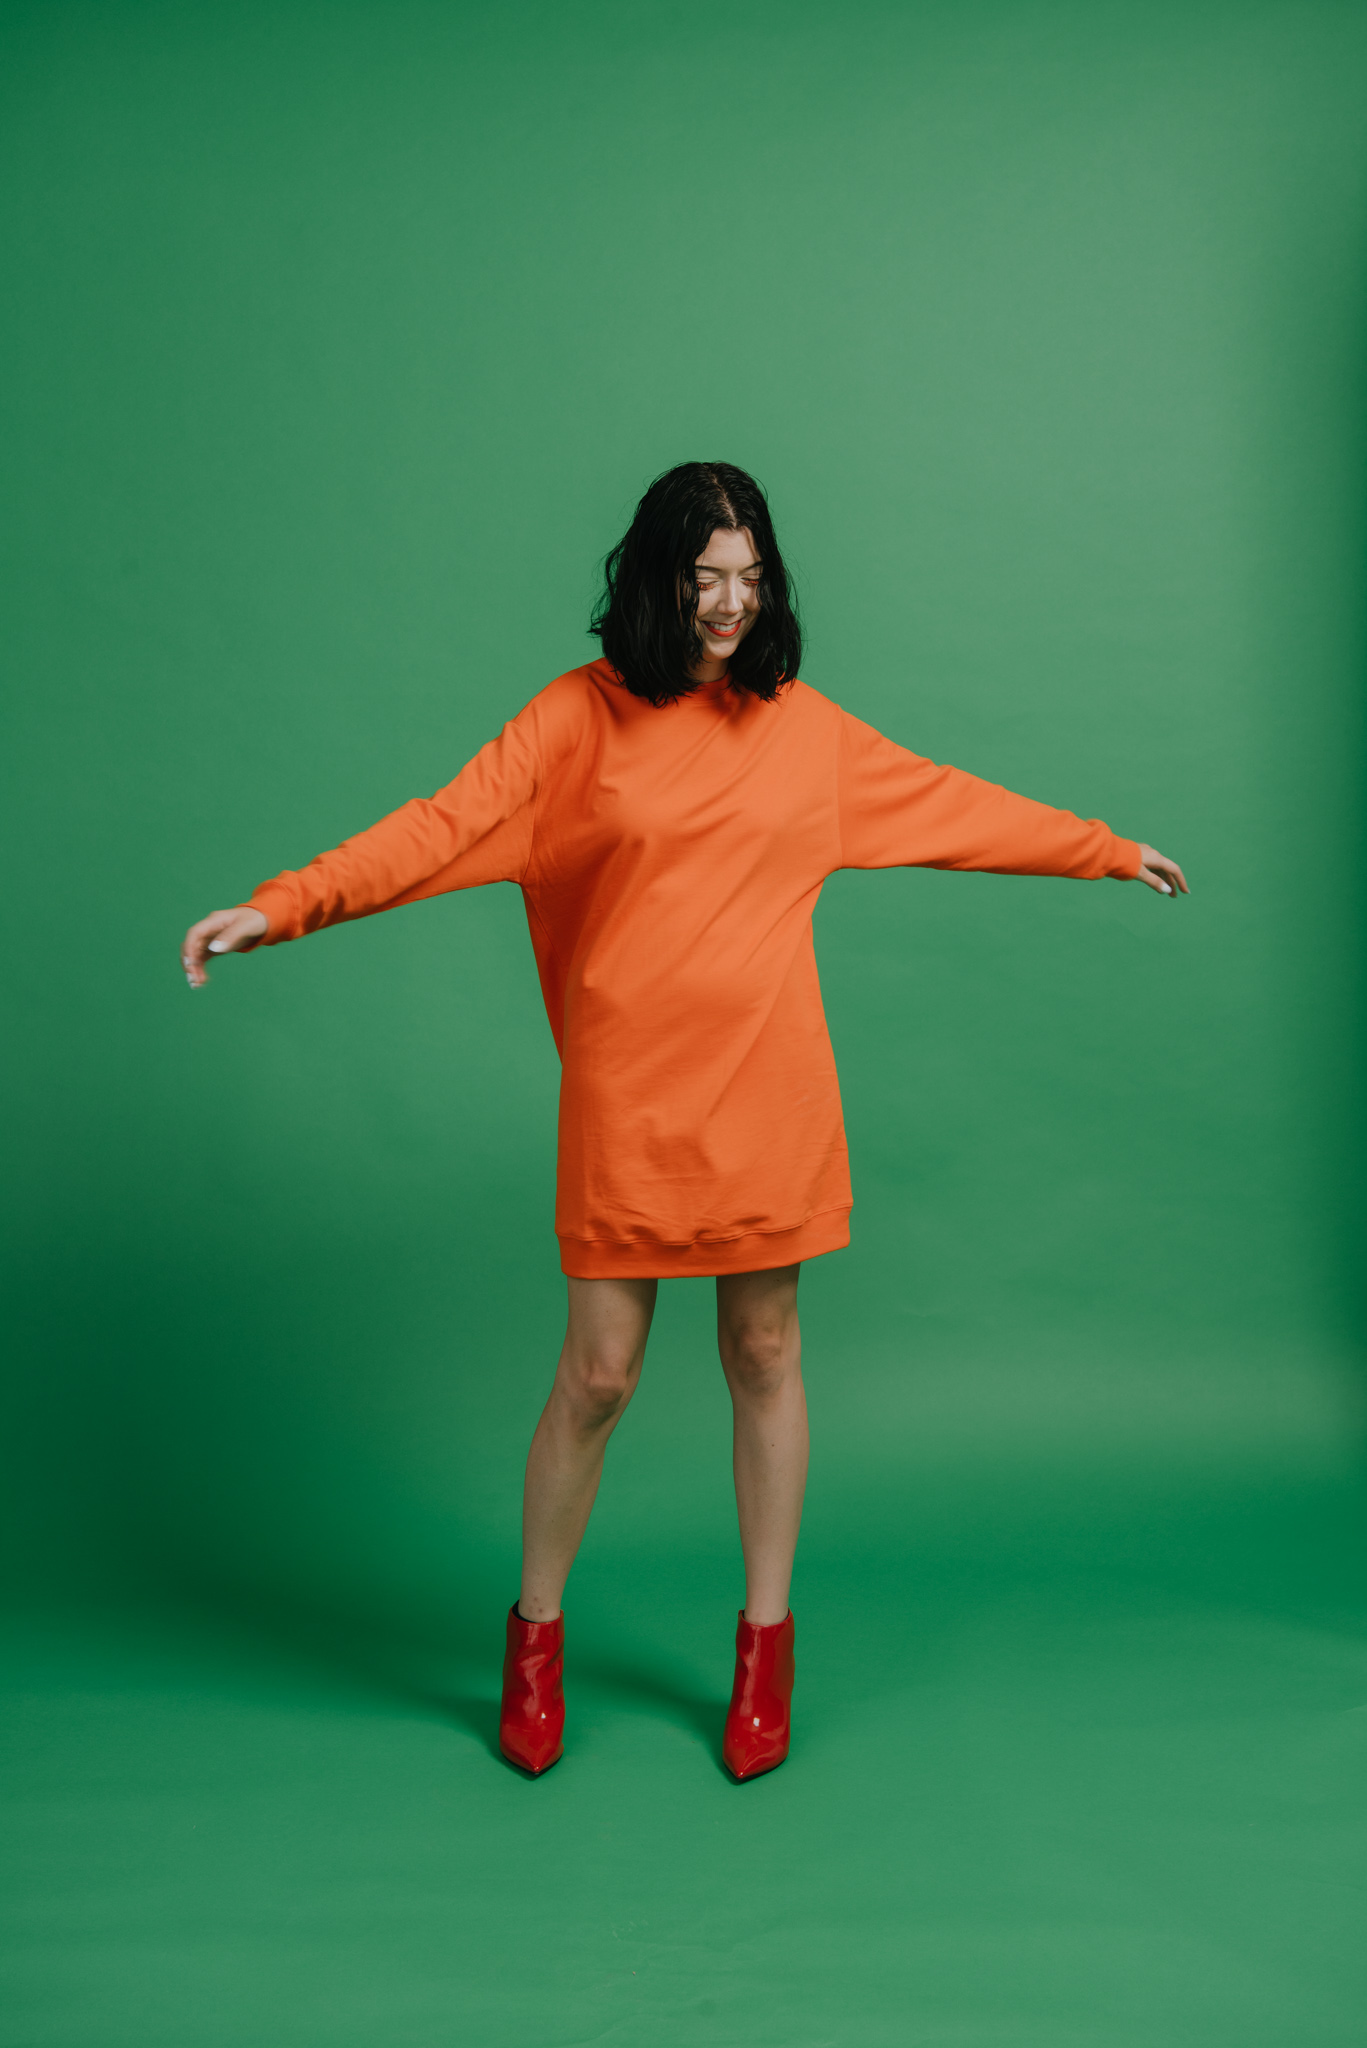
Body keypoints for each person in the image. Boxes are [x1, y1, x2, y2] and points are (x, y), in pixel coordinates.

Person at [181, 461, 1188, 1782]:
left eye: (749, 580)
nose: (729, 605)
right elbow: (436, 828)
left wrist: (1104, 847)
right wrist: (283, 905)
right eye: (706, 578)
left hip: (769, 1092)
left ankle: (765, 1651)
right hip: (628, 1098)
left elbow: (951, 802)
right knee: (599, 1375)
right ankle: (534, 1640)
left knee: (765, 1351)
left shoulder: (804, 732)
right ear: (657, 575)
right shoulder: (574, 722)